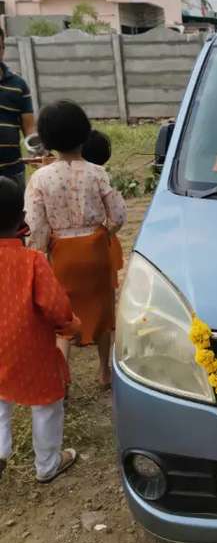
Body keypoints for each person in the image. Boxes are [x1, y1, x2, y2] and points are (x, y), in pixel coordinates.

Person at [25, 101, 126, 388]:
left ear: (45, 140)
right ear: (84, 133)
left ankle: (61, 377)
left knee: (63, 319)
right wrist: (106, 231)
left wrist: (41, 251)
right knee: (104, 312)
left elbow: (35, 223)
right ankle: (105, 372)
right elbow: (118, 214)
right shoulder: (97, 173)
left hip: (63, 255)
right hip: (96, 250)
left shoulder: (40, 178)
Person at [0, 176, 79, 482]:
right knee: (47, 402)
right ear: (21, 218)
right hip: (30, 348)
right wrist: (71, 325)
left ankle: (1, 450)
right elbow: (56, 307)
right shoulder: (32, 261)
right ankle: (47, 465)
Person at [81, 130, 123, 288]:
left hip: (66, 249)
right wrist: (108, 233)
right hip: (101, 242)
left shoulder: (60, 177)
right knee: (106, 289)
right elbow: (118, 216)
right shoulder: (102, 177)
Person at [0, 26, 35, 191]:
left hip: (13, 171)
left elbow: (29, 126)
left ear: (3, 49)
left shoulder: (18, 85)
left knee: (17, 216)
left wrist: (36, 151)